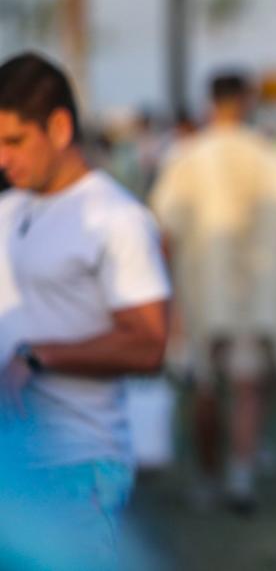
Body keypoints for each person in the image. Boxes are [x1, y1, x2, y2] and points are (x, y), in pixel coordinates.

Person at [0, 51, 170, 568]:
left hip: (77, 463)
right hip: (15, 465)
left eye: (14, 141)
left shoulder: (116, 217)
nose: (3, 158)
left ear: (58, 126)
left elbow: (148, 343)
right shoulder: (10, 208)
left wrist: (37, 358)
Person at [150, 71, 276, 511]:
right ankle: (240, 476)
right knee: (248, 383)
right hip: (257, 291)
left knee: (205, 382)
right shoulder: (269, 155)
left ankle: (210, 479)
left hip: (202, 290)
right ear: (246, 100)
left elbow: (164, 226)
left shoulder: (187, 154)